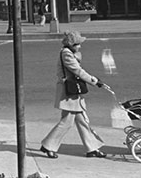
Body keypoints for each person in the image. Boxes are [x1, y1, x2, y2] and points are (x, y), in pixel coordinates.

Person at [40, 31, 109, 159]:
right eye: (77, 44)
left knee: (82, 120)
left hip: (73, 92)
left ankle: (92, 148)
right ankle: (48, 145)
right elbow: (78, 71)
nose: (80, 46)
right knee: (67, 122)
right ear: (71, 44)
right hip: (69, 92)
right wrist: (94, 80)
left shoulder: (70, 53)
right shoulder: (66, 54)